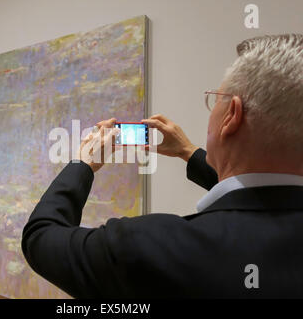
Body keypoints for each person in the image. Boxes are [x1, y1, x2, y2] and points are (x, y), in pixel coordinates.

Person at [21, 34, 303, 298]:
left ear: (232, 115)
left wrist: (83, 164)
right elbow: (259, 198)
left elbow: (40, 238)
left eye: (217, 98)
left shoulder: (150, 246)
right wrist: (188, 152)